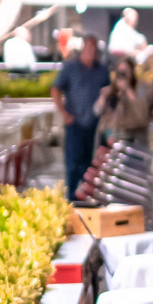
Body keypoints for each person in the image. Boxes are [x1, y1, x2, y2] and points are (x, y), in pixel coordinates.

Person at [51, 35, 110, 196]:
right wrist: (64, 113)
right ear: (83, 48)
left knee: (90, 164)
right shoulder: (70, 67)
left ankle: (86, 197)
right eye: (89, 48)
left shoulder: (102, 70)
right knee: (73, 164)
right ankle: (71, 198)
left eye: (94, 49)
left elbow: (109, 93)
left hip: (94, 125)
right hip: (75, 123)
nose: (92, 52)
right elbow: (55, 90)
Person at [96, 59, 152, 147]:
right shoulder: (112, 90)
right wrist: (103, 96)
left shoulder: (139, 88)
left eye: (126, 71)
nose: (123, 75)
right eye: (120, 72)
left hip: (133, 140)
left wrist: (128, 89)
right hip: (111, 140)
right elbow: (97, 111)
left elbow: (142, 115)